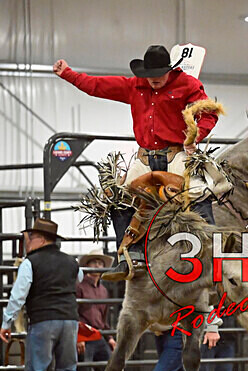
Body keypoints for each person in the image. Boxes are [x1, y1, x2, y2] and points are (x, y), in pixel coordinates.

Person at [53, 45, 227, 281]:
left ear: (169, 71)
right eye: (150, 76)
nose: (153, 80)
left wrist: (196, 135)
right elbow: (97, 86)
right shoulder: (135, 85)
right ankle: (129, 254)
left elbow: (209, 113)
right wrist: (68, 74)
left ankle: (209, 250)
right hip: (145, 156)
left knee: (198, 193)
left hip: (176, 153)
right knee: (117, 198)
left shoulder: (187, 85)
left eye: (158, 76)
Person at [0, 218, 84, 371]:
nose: (27, 241)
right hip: (69, 320)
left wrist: (7, 321)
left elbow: (18, 295)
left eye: (30, 237)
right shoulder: (71, 261)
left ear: (41, 239)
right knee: (68, 369)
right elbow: (79, 279)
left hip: (43, 320)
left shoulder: (30, 262)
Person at [76, 249, 115, 371]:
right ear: (87, 265)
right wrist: (79, 336)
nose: (98, 266)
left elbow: (103, 318)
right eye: (95, 262)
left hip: (98, 335)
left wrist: (110, 338)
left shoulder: (104, 290)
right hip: (85, 335)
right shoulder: (79, 287)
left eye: (100, 263)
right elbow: (75, 313)